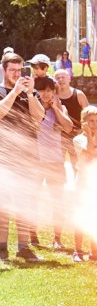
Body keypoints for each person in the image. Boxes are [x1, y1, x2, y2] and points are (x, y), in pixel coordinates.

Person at [0, 53, 46, 262]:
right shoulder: (1, 91)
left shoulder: (31, 92)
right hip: (5, 156)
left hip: (27, 156)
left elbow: (39, 116)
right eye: (12, 70)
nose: (17, 74)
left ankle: (23, 247)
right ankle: (2, 249)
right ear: (4, 70)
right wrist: (15, 91)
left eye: (19, 70)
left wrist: (28, 93)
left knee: (25, 202)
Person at [33, 77, 74, 249]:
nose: (46, 93)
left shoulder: (60, 107)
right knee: (32, 199)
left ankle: (57, 238)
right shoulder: (32, 106)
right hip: (36, 161)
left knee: (57, 200)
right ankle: (32, 236)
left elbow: (69, 127)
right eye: (42, 90)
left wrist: (56, 108)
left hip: (56, 161)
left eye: (50, 90)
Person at [72, 106, 97, 262]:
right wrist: (89, 135)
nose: (94, 124)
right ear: (83, 123)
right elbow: (90, 151)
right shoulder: (79, 139)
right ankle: (78, 250)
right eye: (91, 121)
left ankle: (95, 250)